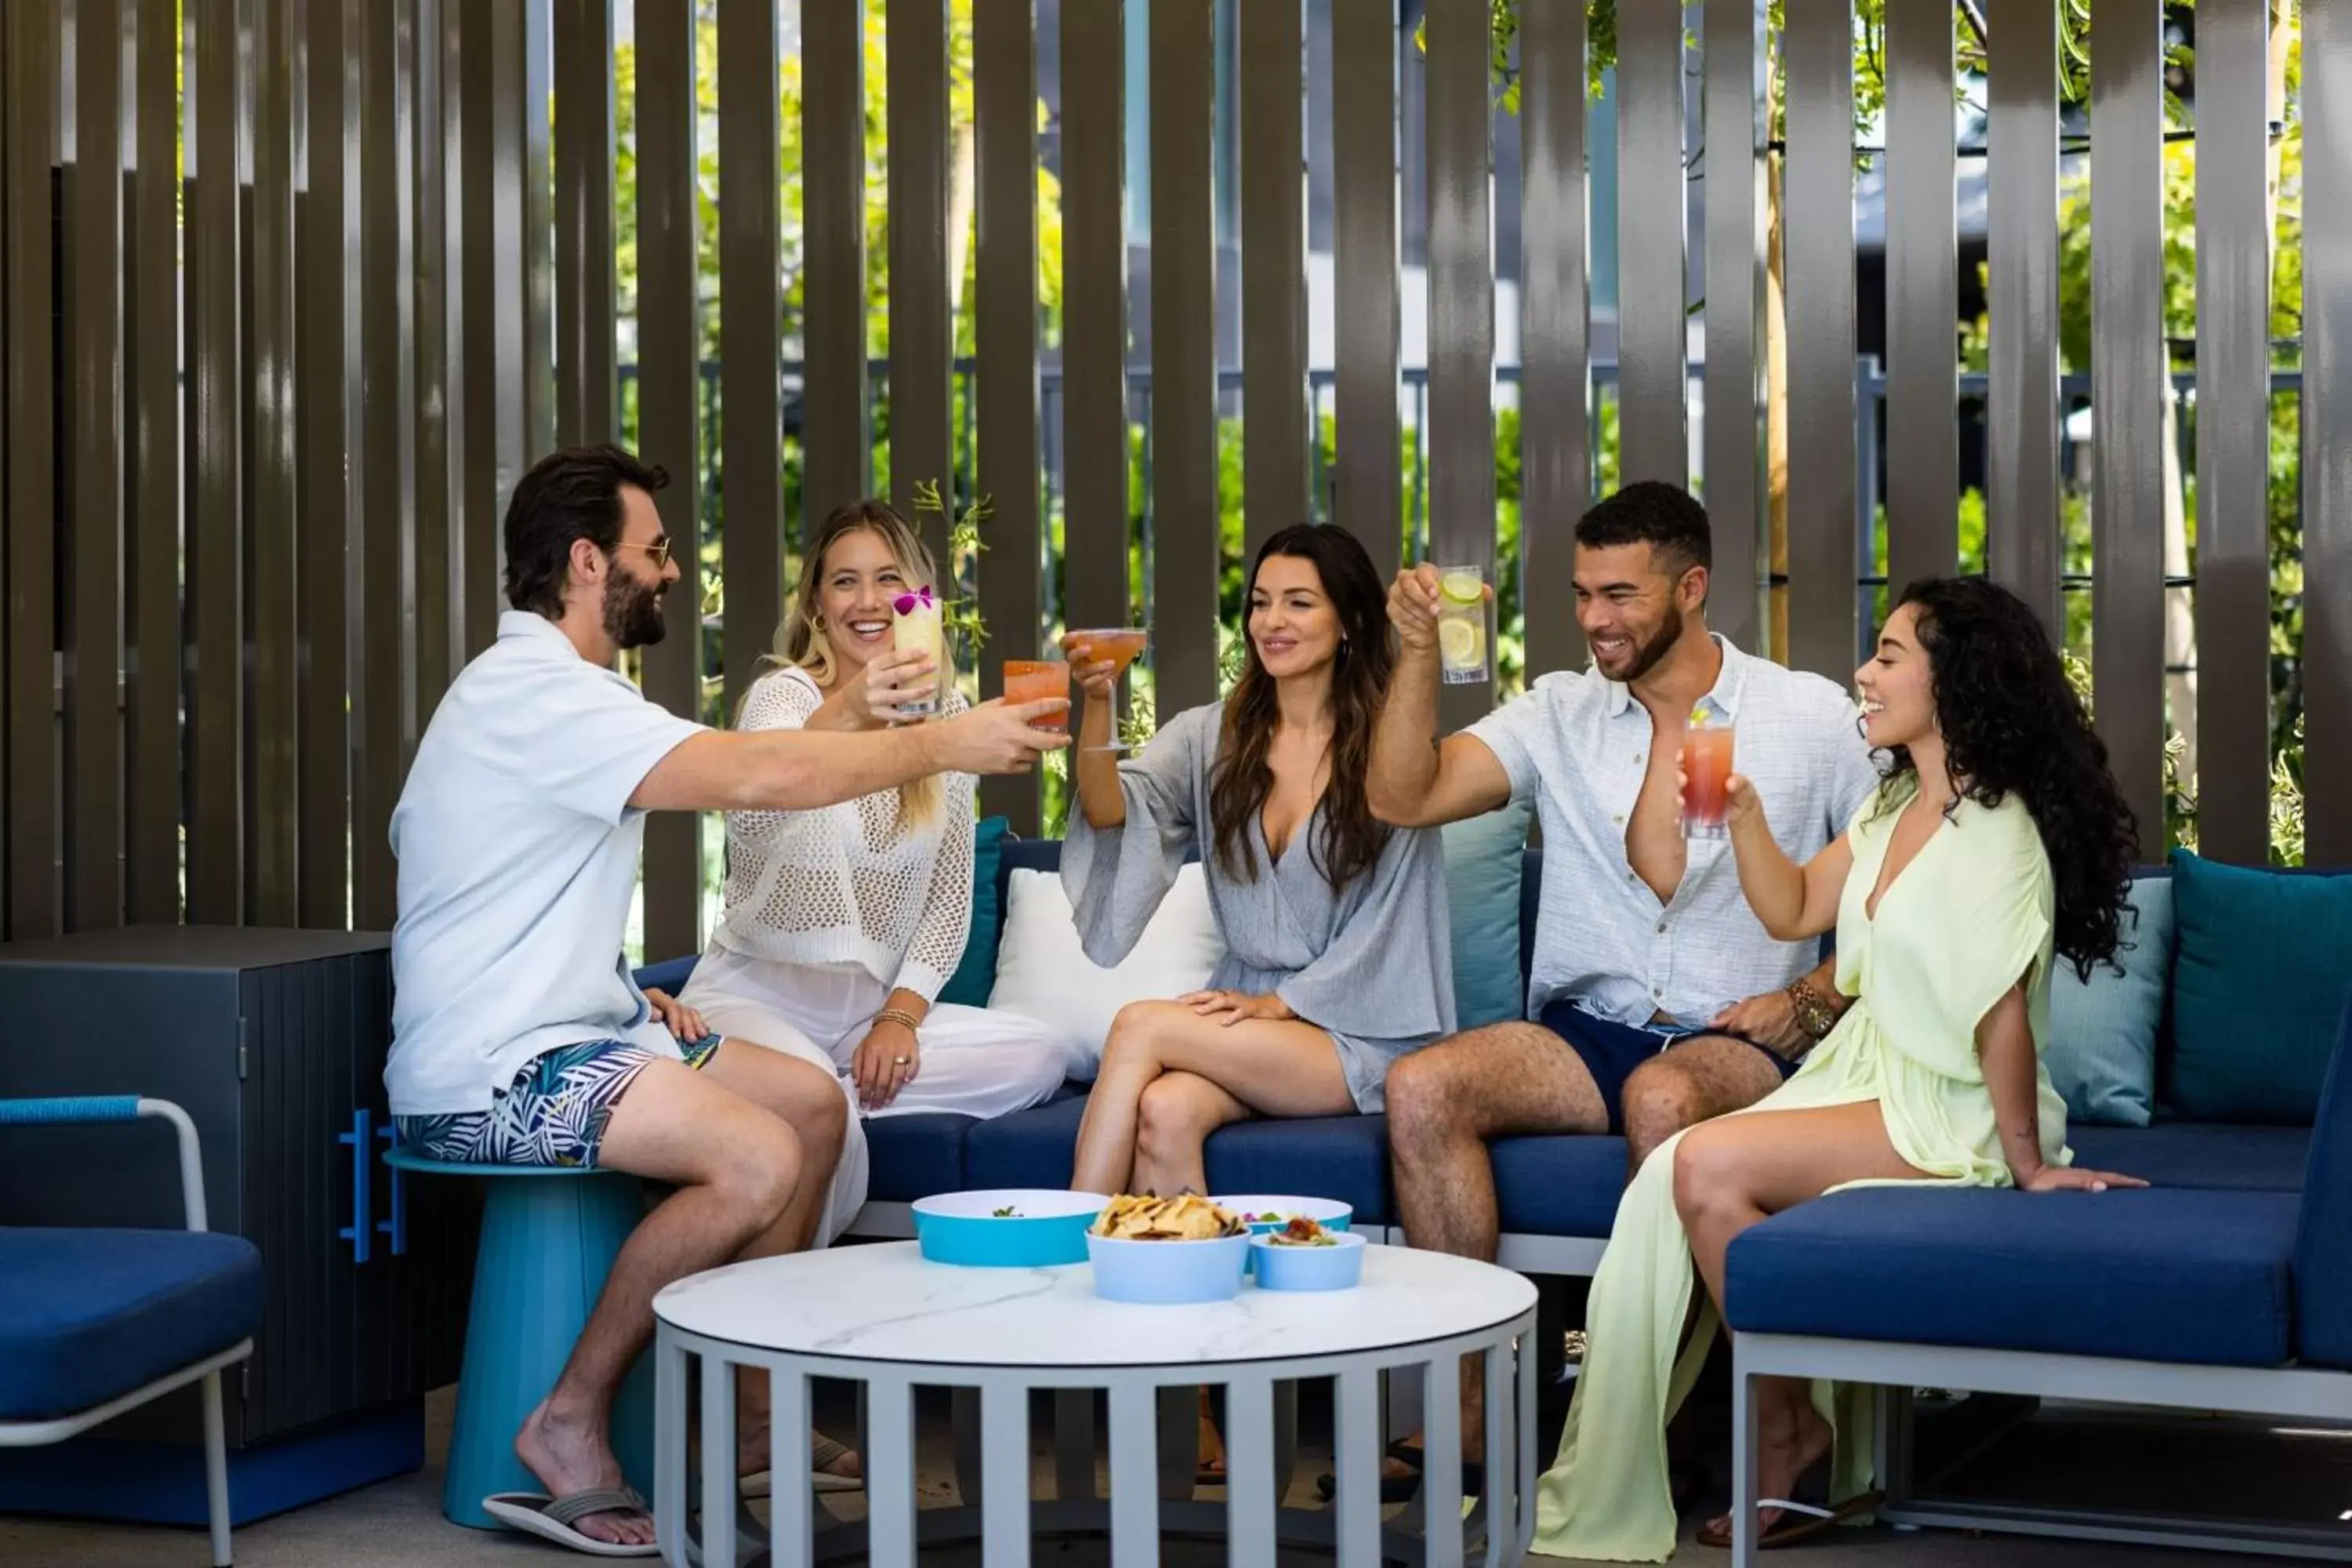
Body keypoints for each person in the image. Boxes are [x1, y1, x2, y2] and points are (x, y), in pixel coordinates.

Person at [385, 446, 1066, 1553]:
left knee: (806, 1105)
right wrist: (948, 740)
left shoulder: (572, 695)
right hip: (496, 1074)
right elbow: (759, 778)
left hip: (571, 1034)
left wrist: (623, 998)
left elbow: (514, 894)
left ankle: (756, 1417)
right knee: (758, 1158)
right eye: (654, 554)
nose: (672, 572)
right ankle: (569, 1419)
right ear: (586, 561)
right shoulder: (538, 695)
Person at [1534, 575, 2145, 1561]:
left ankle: (1783, 1431)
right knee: (1688, 1177)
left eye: (1891, 655)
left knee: (1697, 1164)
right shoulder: (1894, 805)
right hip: (1865, 1074)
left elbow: (2000, 1020)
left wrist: (2028, 1161)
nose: (1864, 670)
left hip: (1947, 1105)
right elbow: (1791, 910)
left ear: (1957, 682)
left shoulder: (1999, 833)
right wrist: (1742, 817)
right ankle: (1788, 1426)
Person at [1367, 481, 1879, 1493]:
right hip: (1589, 1028)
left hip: (1739, 1031)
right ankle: (1477, 1417)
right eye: (1581, 594)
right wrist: (1419, 655)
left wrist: (1812, 996)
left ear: (1691, 587)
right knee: (1423, 1090)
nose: (1595, 619)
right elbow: (1402, 794)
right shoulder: (1558, 712)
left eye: (1620, 594)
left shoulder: (1807, 717)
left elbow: (1891, 885)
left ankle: (1668, 1426)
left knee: (1665, 1097)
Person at [1062, 522, 1454, 1199]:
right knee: (1165, 1111)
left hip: (1356, 1028)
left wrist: (1280, 1003)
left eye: (1299, 603)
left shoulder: (1393, 756)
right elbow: (1110, 812)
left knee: (1137, 1025)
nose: (1271, 622)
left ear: (1351, 620)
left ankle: (1066, 1238)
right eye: (1260, 602)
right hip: (1249, 1021)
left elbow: (1393, 933)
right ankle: (1180, 1287)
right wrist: (1097, 703)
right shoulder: (1211, 736)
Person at [676, 500, 1068, 1152]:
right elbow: (751, 813)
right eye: (845, 581)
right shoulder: (787, 696)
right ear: (817, 607)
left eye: (889, 579)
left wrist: (898, 1020)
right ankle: (810, 1096)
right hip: (758, 1000)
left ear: (919, 600)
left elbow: (947, 903)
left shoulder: (946, 715)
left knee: (1039, 1054)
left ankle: (799, 1096)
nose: (869, 600)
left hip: (863, 1017)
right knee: (816, 1100)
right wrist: (852, 712)